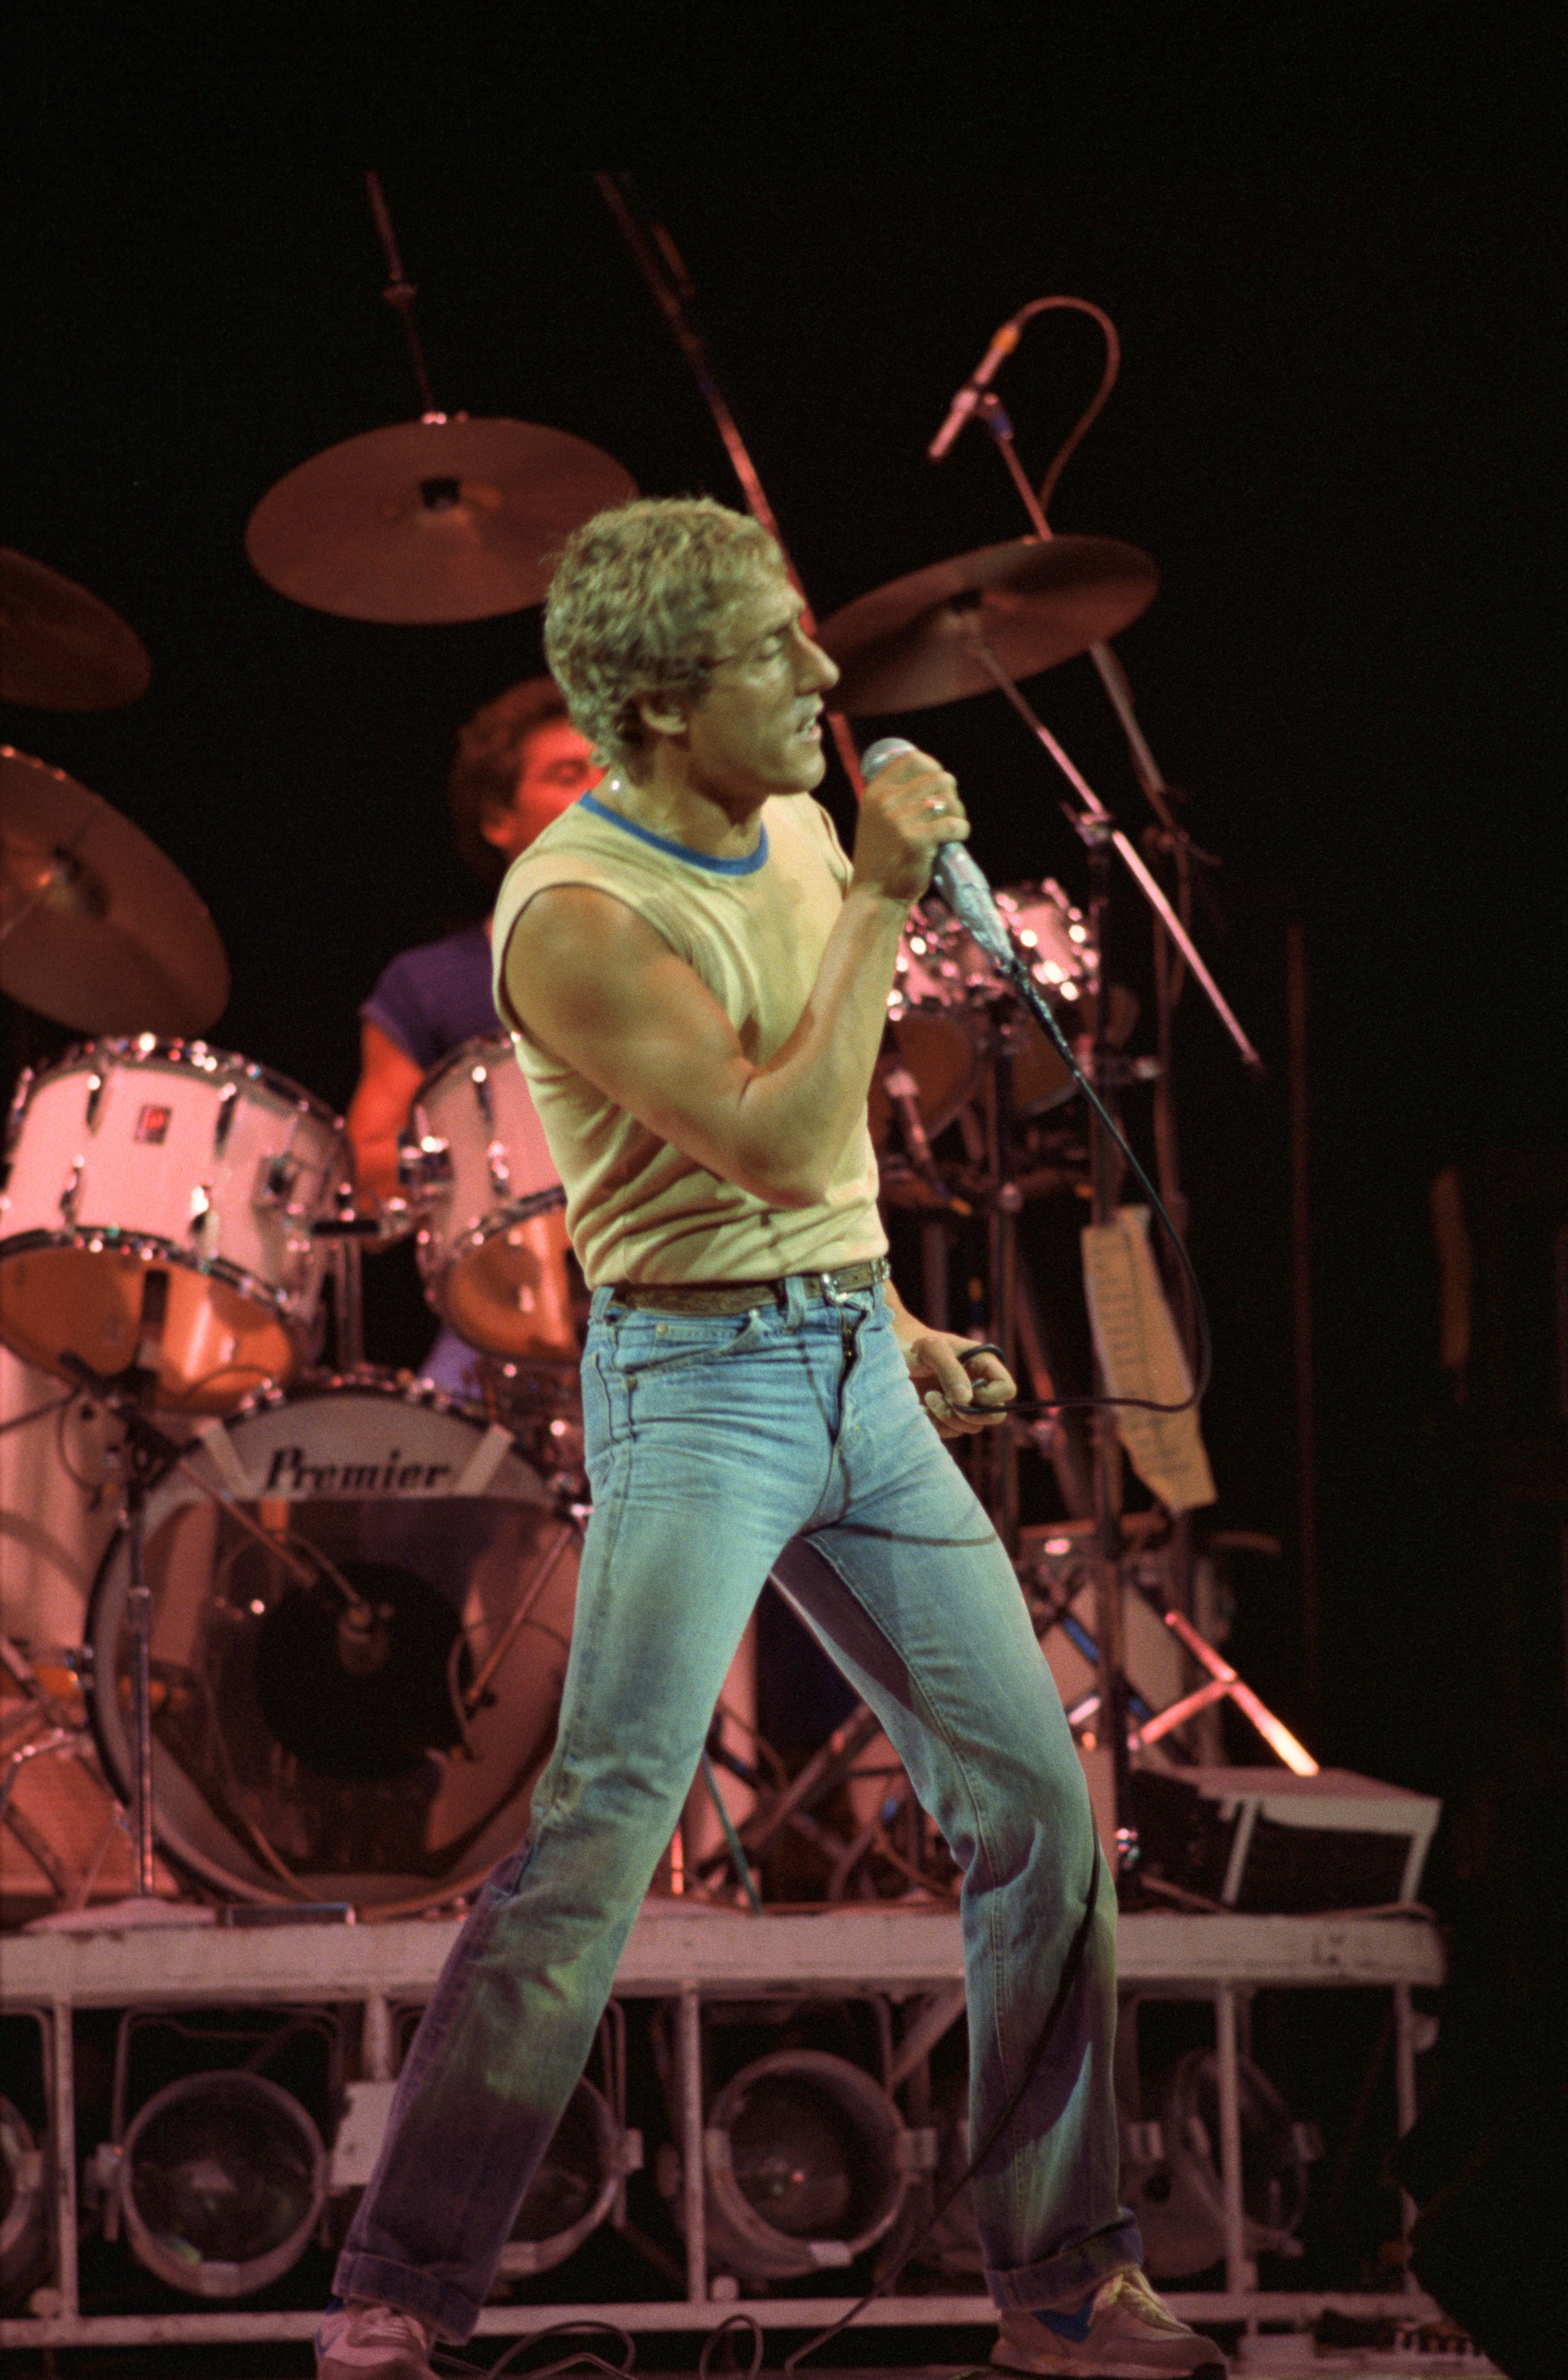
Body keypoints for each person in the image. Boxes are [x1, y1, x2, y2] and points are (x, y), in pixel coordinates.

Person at [318, 499, 1225, 2380]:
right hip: (694, 1393)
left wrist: (889, 1313)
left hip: (850, 1367)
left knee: (1041, 1814)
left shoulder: (798, 824)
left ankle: (1062, 2286)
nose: (824, 674)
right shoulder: (574, 912)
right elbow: (767, 1129)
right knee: (598, 1835)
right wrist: (888, 891)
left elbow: (829, 1166)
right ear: (662, 702)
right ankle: (399, 2289)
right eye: (772, 653)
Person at [345, 678, 602, 1392]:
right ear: (497, 817)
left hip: (686, 1280)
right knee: (435, 1450)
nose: (601, 790)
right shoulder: (429, 982)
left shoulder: (689, 956)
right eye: (568, 775)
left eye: (610, 769)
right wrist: (472, 1163)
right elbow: (369, 1163)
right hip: (506, 1303)